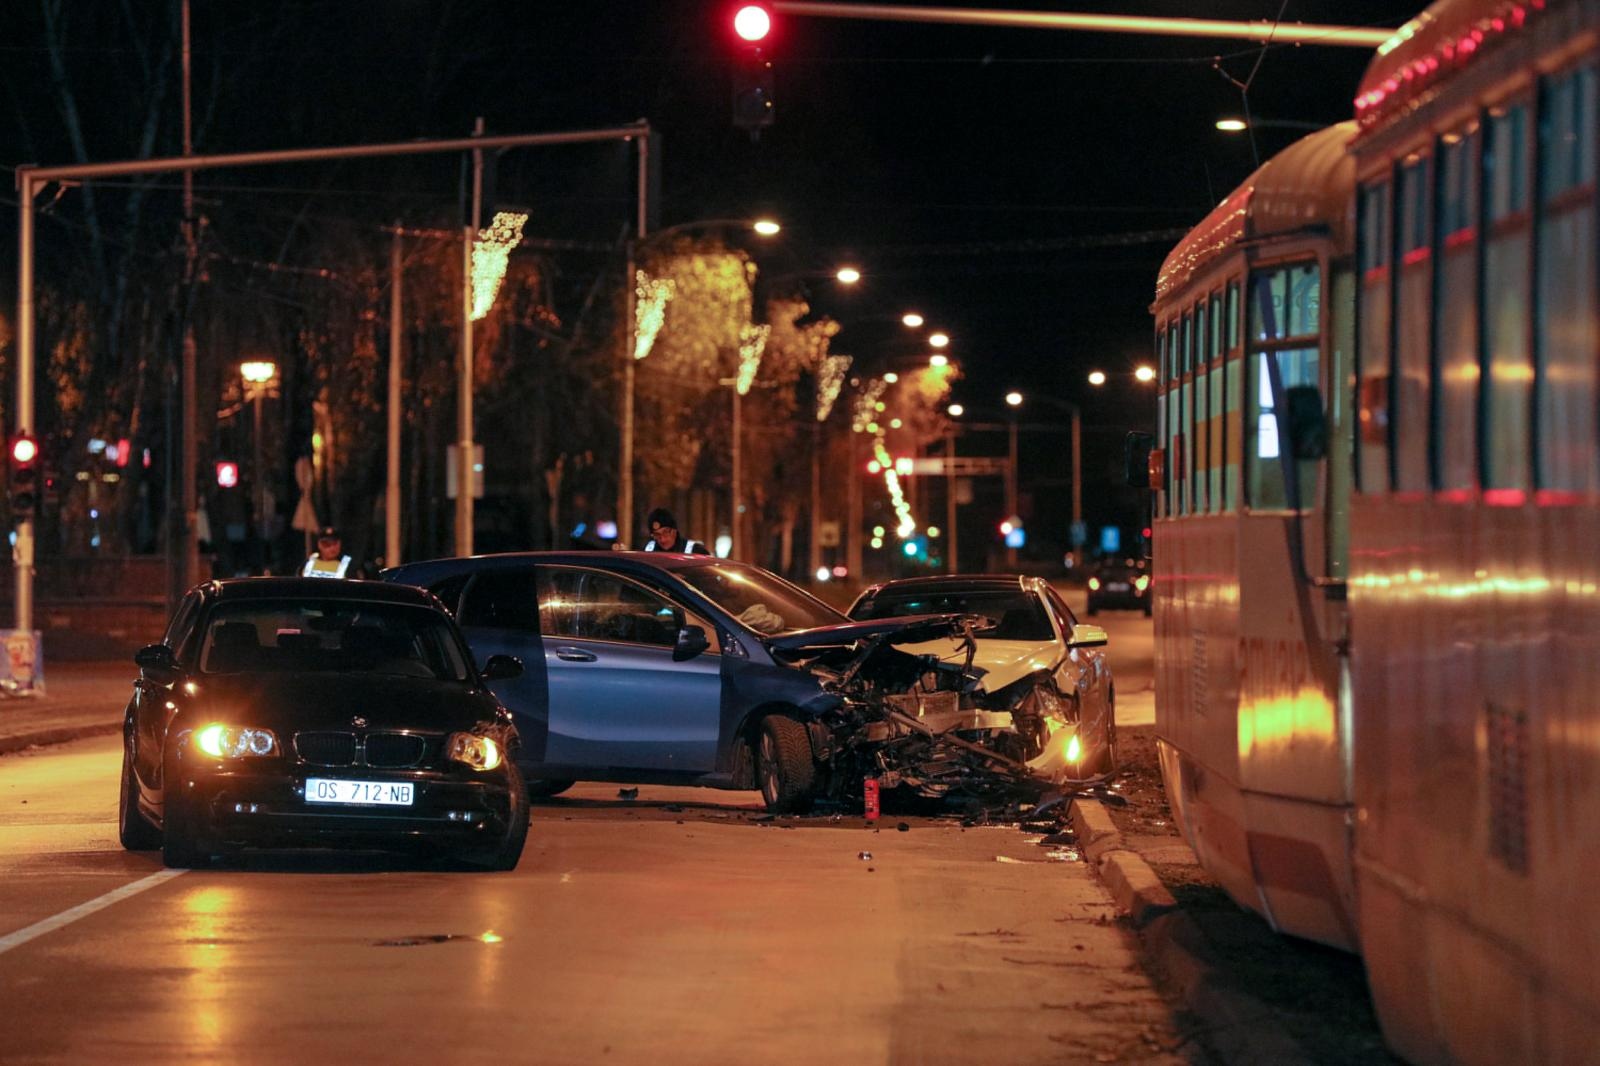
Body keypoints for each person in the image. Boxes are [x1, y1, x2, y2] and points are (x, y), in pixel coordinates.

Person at [643, 508, 709, 554]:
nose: (662, 539)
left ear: (674, 530)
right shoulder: (647, 550)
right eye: (657, 535)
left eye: (665, 532)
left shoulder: (695, 550)